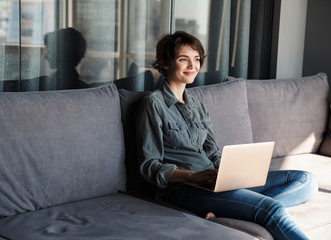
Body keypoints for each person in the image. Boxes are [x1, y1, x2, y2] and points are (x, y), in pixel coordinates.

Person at [135, 31, 318, 240]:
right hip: (184, 187)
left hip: (215, 180)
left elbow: (212, 151)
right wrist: (192, 176)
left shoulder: (198, 106)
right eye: (183, 59)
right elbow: (149, 165)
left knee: (306, 180)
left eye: (196, 59)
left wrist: (232, 172)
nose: (192, 66)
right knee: (271, 209)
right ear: (166, 63)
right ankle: (254, 209)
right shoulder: (153, 104)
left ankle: (235, 210)